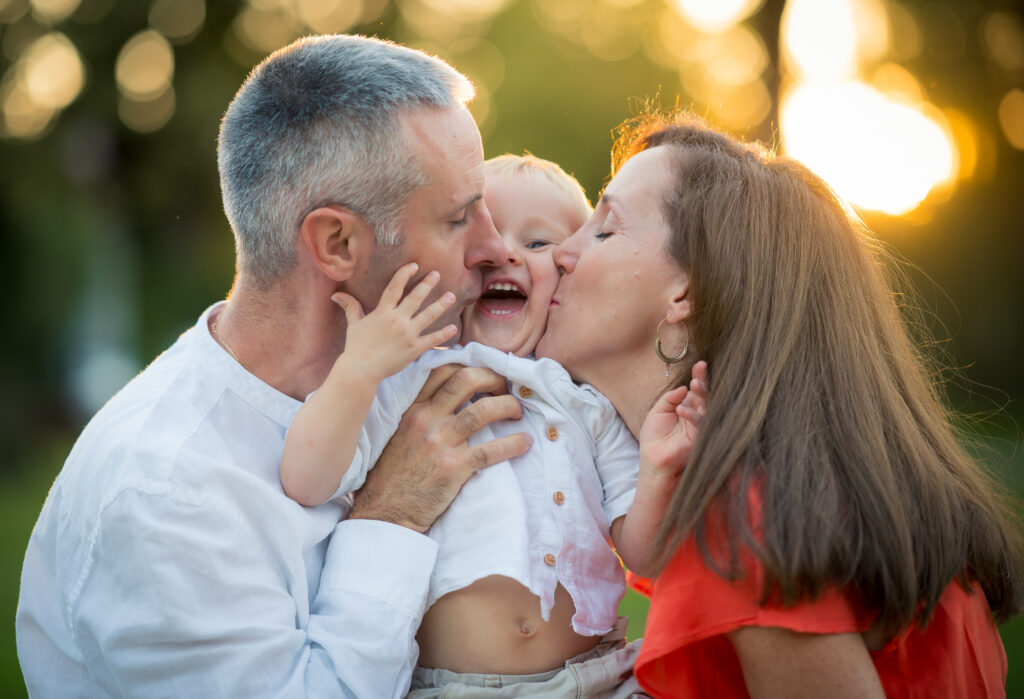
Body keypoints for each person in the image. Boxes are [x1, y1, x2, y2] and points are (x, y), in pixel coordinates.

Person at [16, 35, 535, 698]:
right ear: (337, 243)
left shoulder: (420, 374)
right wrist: (392, 513)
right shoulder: (165, 492)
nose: (495, 247)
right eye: (461, 218)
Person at [535, 110, 1024, 698]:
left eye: (604, 228)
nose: (561, 253)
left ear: (685, 292)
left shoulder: (745, 527)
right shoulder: (787, 500)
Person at [280, 154, 705, 696]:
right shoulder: (411, 382)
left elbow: (644, 554)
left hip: (595, 676)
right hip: (453, 686)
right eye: (480, 241)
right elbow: (306, 478)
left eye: (537, 244)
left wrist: (657, 467)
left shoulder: (583, 402)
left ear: (567, 274)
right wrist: (357, 371)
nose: (503, 252)